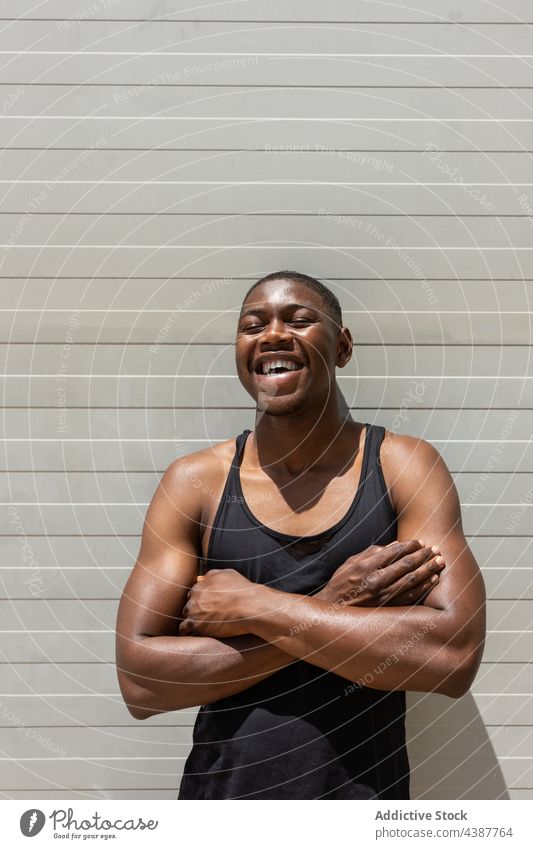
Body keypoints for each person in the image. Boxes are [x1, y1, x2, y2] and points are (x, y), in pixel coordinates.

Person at [116, 270, 486, 799]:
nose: (272, 335)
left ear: (342, 346)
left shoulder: (404, 466)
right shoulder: (196, 482)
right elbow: (142, 682)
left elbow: (451, 656)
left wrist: (259, 608)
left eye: (299, 319)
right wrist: (336, 603)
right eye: (252, 325)